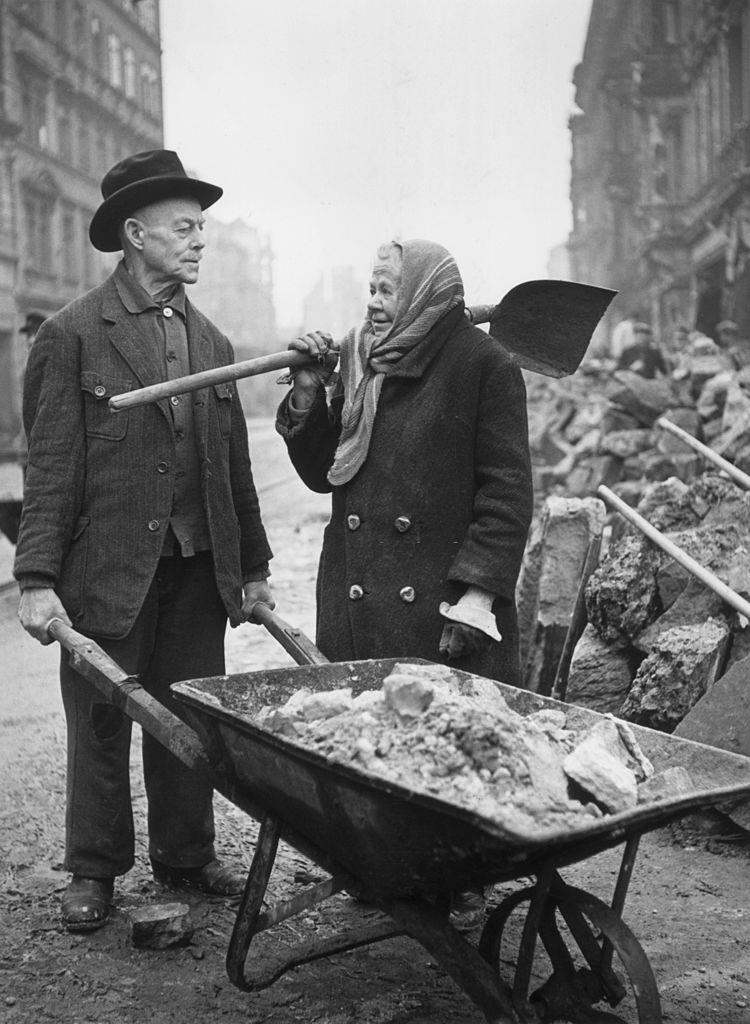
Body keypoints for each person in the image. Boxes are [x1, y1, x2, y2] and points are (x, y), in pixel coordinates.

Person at [14, 150, 274, 932]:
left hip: (196, 571)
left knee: (189, 716)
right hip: (107, 572)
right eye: (186, 228)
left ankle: (186, 856)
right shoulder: (72, 336)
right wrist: (35, 577)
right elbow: (51, 464)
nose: (201, 241)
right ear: (135, 233)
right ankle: (93, 870)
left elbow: (233, 473)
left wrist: (252, 567)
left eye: (203, 228)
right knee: (100, 722)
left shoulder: (216, 343)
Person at [276, 238, 533, 928]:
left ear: (423, 292)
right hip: (360, 589)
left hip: (440, 603)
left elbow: (507, 496)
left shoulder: (486, 367)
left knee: (443, 742)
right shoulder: (363, 362)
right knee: (374, 738)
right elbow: (325, 471)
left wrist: (476, 596)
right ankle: (382, 864)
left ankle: (460, 874)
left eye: (388, 289)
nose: (372, 301)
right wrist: (309, 391)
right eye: (370, 287)